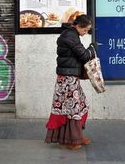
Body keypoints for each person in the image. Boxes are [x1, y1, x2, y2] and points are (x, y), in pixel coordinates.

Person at [45, 14, 96, 150]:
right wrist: (92, 48)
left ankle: (75, 136)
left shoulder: (71, 35)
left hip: (70, 77)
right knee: (73, 108)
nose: (86, 33)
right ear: (78, 26)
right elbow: (84, 55)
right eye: (85, 30)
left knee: (79, 105)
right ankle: (72, 140)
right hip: (68, 78)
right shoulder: (70, 37)